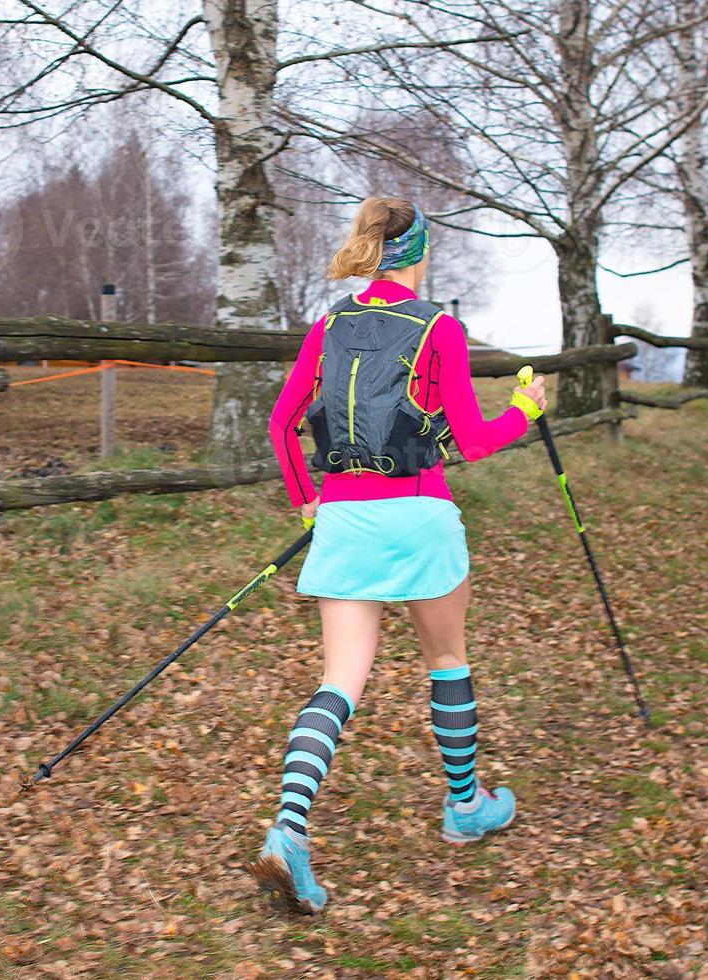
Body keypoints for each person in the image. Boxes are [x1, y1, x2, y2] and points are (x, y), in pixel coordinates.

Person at [249, 197, 547, 915]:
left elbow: (282, 422)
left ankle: (288, 829)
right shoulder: (438, 327)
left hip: (346, 520)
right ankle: (465, 807)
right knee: (447, 660)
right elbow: (470, 439)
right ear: (416, 255)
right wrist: (527, 411)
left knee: (338, 681)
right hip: (419, 515)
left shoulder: (329, 326)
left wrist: (307, 500)